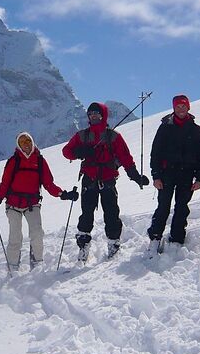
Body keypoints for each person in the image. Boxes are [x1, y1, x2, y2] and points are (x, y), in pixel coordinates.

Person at [62, 102, 149, 261]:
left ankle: (113, 245)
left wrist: (135, 176)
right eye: (91, 114)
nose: (93, 116)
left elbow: (125, 158)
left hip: (108, 179)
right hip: (89, 179)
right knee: (86, 214)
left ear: (103, 115)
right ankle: (83, 246)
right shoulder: (82, 135)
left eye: (97, 113)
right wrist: (79, 152)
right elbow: (66, 151)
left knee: (111, 213)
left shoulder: (113, 136)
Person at [0, 132, 78, 271]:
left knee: (37, 234)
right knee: (15, 236)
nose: (26, 145)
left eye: (28, 141)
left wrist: (63, 194)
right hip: (13, 204)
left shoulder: (40, 161)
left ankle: (37, 264)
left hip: (32, 203)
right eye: (23, 142)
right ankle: (12, 267)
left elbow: (48, 184)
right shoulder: (14, 161)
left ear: (32, 142)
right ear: (18, 145)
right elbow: (4, 184)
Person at [147, 95, 200, 248]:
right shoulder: (165, 127)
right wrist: (156, 175)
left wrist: (199, 178)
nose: (181, 109)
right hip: (166, 173)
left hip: (187, 174)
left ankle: (177, 238)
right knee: (163, 206)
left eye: (183, 106)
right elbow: (156, 153)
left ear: (188, 107)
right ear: (174, 108)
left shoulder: (195, 129)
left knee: (181, 207)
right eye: (178, 106)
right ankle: (155, 236)